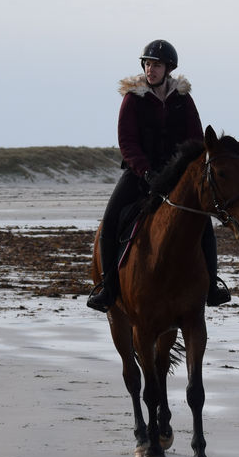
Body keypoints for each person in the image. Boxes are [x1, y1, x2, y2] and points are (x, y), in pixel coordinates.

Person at [86, 39, 230, 312]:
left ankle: (212, 285)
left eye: (157, 65)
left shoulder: (183, 99)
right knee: (110, 222)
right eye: (148, 64)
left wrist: (183, 171)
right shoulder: (132, 98)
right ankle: (108, 287)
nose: (151, 69)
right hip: (140, 174)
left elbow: (195, 139)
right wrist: (145, 171)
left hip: (176, 175)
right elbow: (127, 141)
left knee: (204, 224)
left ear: (168, 68)